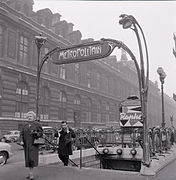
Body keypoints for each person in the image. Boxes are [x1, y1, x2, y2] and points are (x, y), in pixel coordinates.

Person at [21, 111, 43, 180]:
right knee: (28, 159)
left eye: (30, 116)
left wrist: (36, 134)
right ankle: (30, 172)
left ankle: (31, 174)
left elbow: (41, 132)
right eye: (28, 117)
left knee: (31, 159)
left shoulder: (37, 124)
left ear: (34, 117)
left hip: (33, 144)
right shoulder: (25, 125)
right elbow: (21, 134)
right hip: (26, 144)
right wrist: (21, 141)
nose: (29, 118)